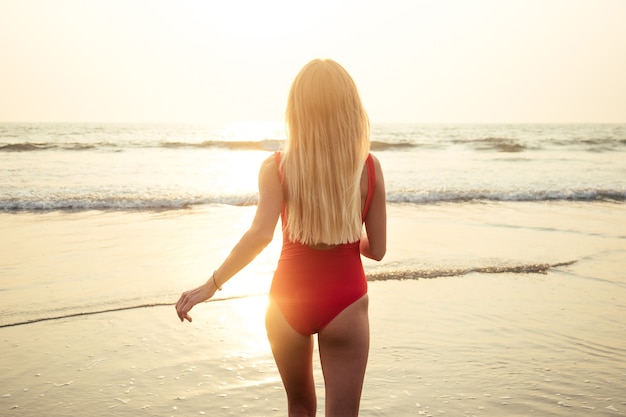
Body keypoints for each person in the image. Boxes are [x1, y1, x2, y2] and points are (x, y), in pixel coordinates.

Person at [175, 58, 387, 417]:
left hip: (287, 301)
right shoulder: (368, 167)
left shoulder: (276, 166)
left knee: (299, 407)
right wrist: (348, 239)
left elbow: (260, 235)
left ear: (297, 110)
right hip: (347, 301)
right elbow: (377, 250)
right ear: (350, 107)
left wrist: (211, 284)